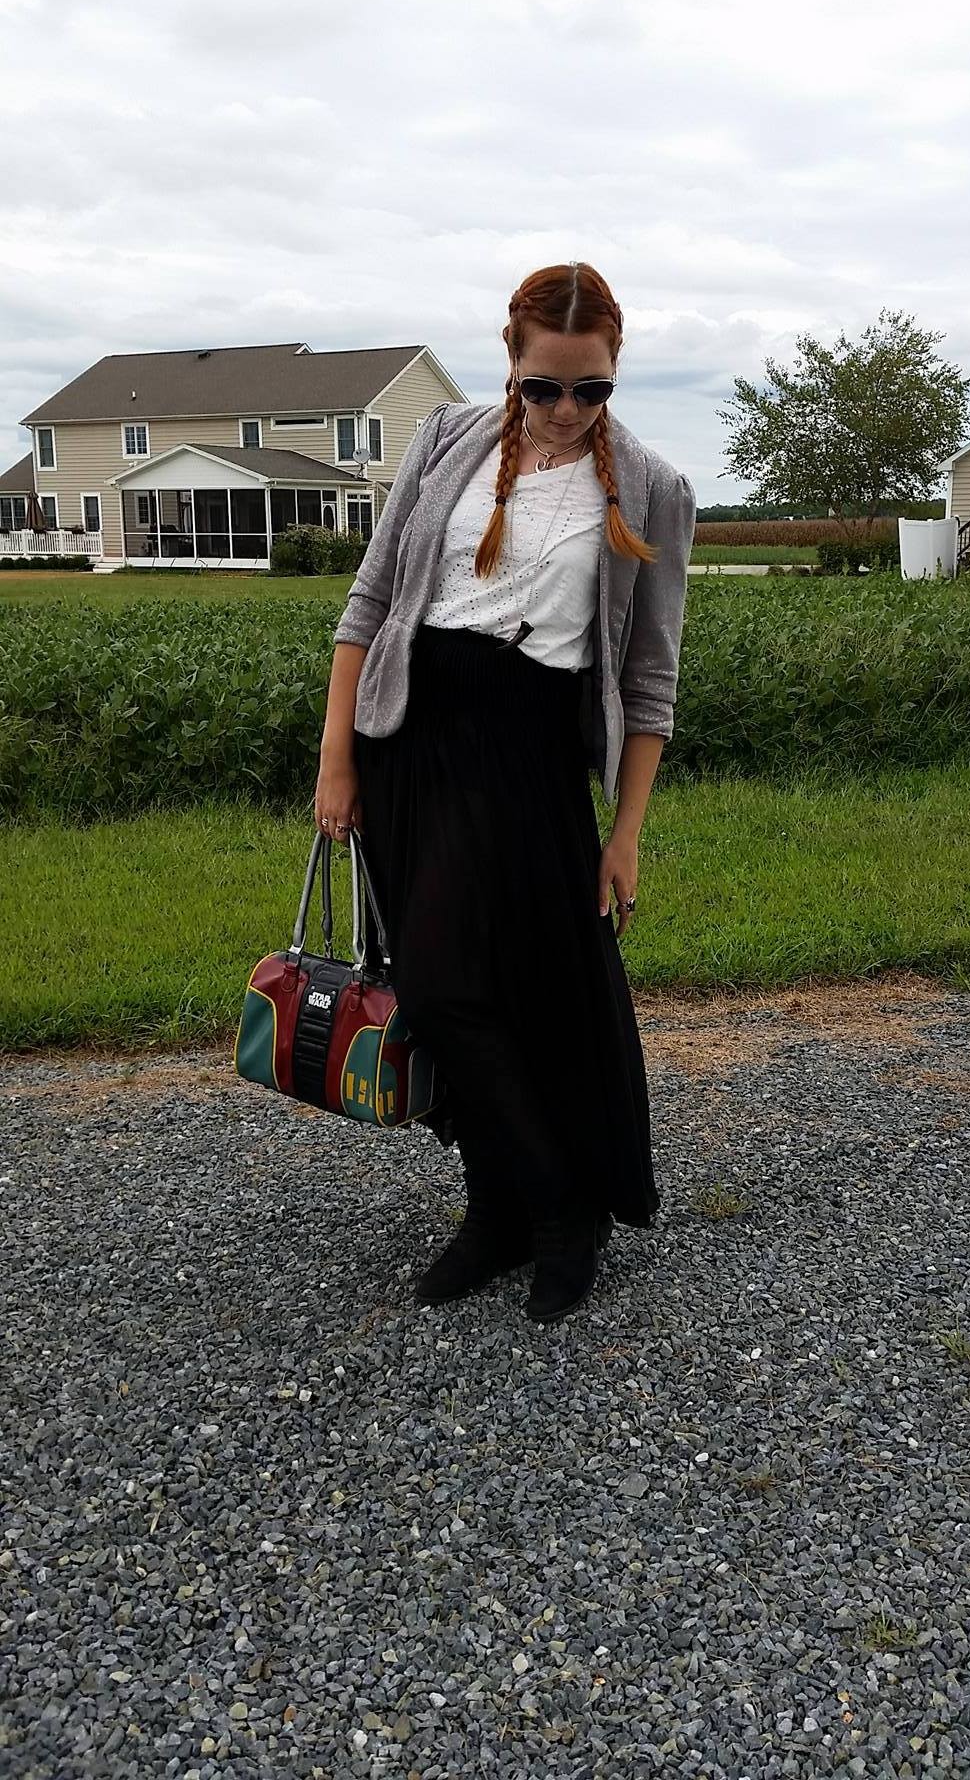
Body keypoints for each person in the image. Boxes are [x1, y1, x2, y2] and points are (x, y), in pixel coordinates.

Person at [315, 261, 697, 1323]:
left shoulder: (654, 489)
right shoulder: (447, 440)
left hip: (527, 763)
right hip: (408, 748)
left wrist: (625, 833)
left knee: (504, 992)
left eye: (592, 388)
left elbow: (650, 682)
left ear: (616, 370)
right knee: (439, 988)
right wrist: (338, 758)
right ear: (511, 361)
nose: (567, 410)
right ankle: (500, 1208)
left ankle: (560, 1210)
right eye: (545, 387)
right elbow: (370, 603)